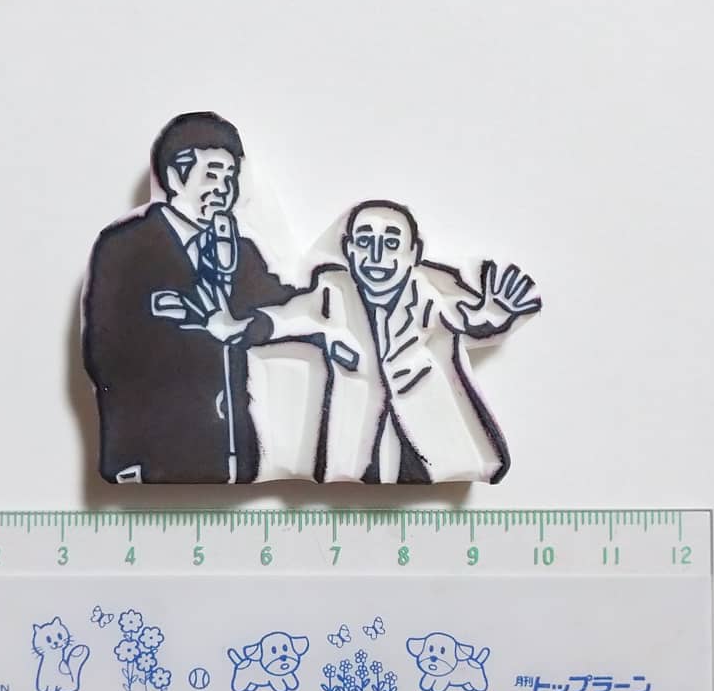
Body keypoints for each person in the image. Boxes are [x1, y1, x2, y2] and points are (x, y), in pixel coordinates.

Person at [249, 200, 541, 483]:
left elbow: (469, 320)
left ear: (414, 253)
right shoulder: (333, 294)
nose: (376, 256)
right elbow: (284, 318)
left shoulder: (428, 300)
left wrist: (498, 314)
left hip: (424, 427)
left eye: (391, 243)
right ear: (348, 249)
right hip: (354, 441)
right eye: (365, 242)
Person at [82, 112, 292, 484]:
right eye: (212, 174)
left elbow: (281, 304)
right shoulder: (125, 247)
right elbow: (107, 352)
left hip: (232, 451)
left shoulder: (241, 252)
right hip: (154, 450)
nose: (224, 188)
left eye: (230, 177)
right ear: (176, 176)